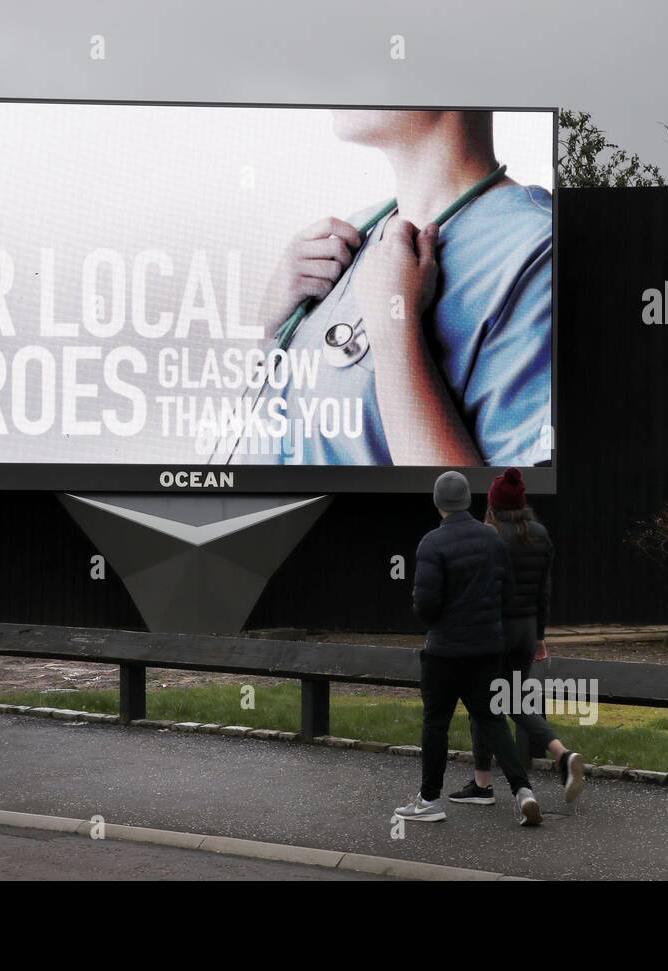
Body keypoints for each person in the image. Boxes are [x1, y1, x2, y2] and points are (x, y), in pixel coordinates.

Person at [235, 108, 551, 468]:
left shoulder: (539, 257)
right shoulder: (347, 239)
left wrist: (395, 328)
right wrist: (269, 334)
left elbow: (500, 519)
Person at [395, 470, 543, 826]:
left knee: (436, 723)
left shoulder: (432, 543)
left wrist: (424, 613)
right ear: (467, 500)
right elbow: (507, 594)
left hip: (444, 651)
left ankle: (429, 800)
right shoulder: (492, 540)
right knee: (492, 721)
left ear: (437, 502)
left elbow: (426, 605)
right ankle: (524, 791)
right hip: (486, 650)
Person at [451, 468, 585, 806]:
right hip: (526, 630)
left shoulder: (487, 535)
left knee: (486, 702)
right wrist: (539, 635)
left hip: (493, 631)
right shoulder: (539, 534)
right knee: (510, 698)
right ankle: (561, 756)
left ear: (493, 504)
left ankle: (485, 783)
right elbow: (544, 591)